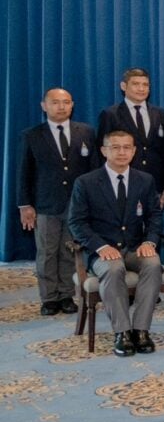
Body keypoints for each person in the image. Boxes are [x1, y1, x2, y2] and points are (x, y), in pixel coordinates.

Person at [66, 131, 164, 357]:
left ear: (134, 151)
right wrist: (101, 247)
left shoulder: (145, 179)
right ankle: (122, 332)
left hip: (135, 247)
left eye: (127, 147)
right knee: (113, 268)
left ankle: (141, 330)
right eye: (115, 147)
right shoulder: (86, 182)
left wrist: (149, 241)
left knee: (153, 263)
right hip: (102, 251)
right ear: (104, 151)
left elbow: (154, 216)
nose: (122, 152)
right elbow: (77, 223)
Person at [18, 87, 97, 315]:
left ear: (72, 105)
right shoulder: (32, 135)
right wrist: (25, 205)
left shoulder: (86, 132)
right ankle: (49, 297)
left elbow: (93, 169)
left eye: (66, 102)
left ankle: (66, 294)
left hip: (77, 204)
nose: (61, 107)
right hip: (45, 204)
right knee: (47, 252)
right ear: (44, 106)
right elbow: (23, 172)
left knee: (70, 250)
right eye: (55, 102)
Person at [97, 67, 164, 197]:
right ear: (123, 86)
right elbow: (102, 153)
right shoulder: (110, 114)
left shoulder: (160, 114)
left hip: (155, 184)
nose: (141, 89)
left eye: (145, 85)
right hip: (121, 184)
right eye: (136, 84)